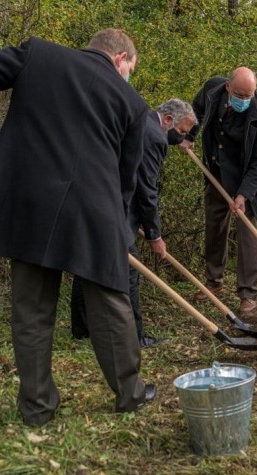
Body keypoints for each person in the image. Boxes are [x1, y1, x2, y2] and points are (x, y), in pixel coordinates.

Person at [0, 29, 156, 426]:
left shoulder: (39, 55)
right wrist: (118, 224)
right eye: (129, 68)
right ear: (120, 59)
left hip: (31, 204)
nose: (127, 76)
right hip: (94, 210)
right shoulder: (133, 103)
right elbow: (126, 178)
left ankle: (37, 407)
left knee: (32, 308)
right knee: (111, 301)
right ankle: (130, 394)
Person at [71, 99, 198, 348]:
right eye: (182, 131)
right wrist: (154, 235)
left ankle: (82, 329)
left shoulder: (139, 120)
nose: (181, 137)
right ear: (169, 120)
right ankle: (135, 336)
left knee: (87, 264)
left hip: (93, 199)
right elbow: (146, 190)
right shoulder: (155, 138)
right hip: (115, 209)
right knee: (129, 271)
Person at [179, 67, 257, 316]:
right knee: (214, 224)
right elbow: (195, 110)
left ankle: (247, 294)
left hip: (247, 179)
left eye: (249, 95)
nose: (245, 100)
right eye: (240, 95)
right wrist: (190, 135)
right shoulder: (212, 89)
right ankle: (214, 281)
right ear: (228, 87)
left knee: (247, 234)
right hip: (217, 169)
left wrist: (243, 194)